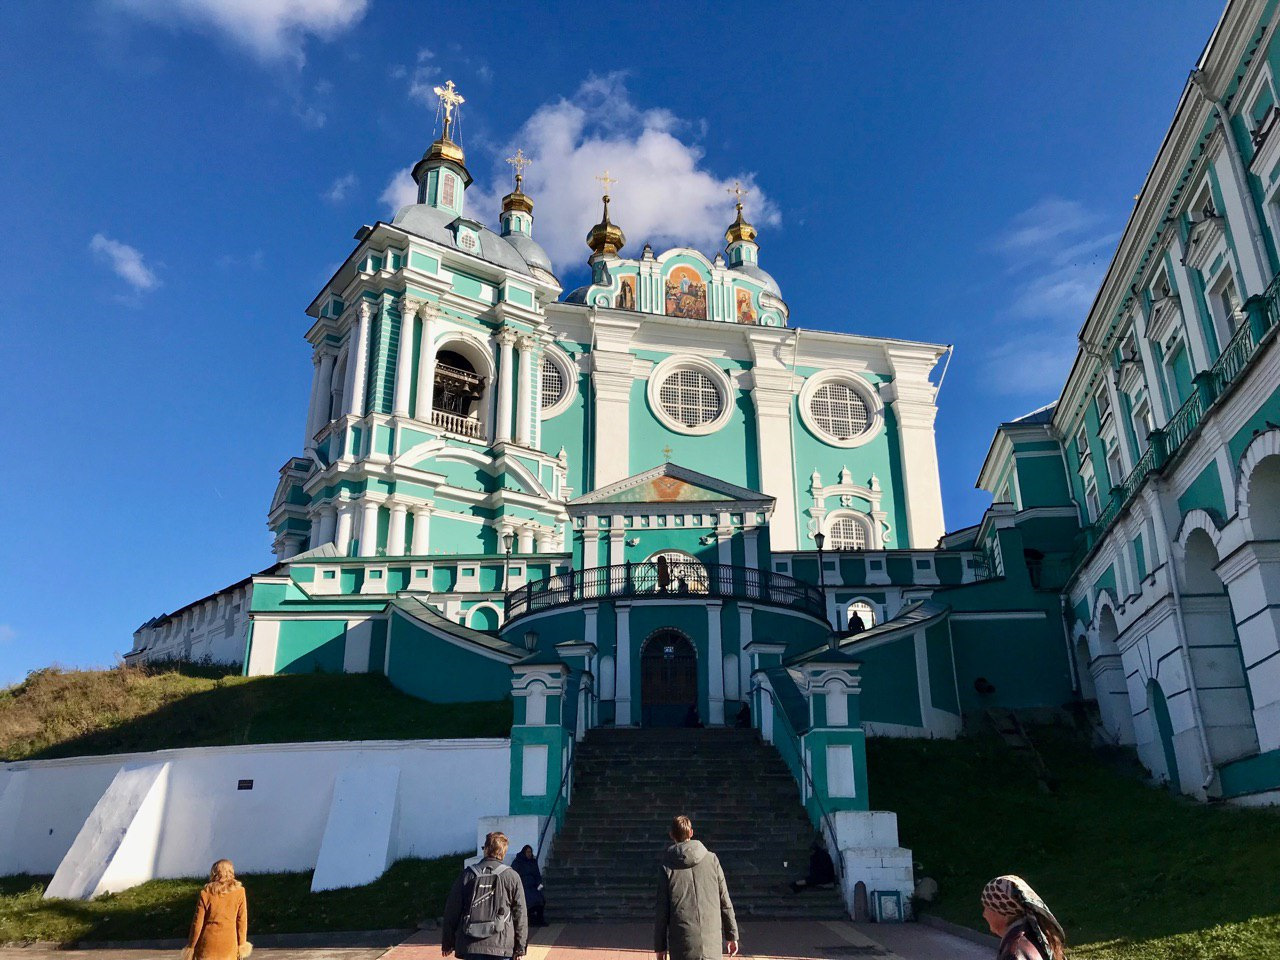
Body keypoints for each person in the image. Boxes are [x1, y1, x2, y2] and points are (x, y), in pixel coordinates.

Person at [655, 815, 738, 960]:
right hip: (711, 942)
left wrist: (660, 947)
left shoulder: (667, 867)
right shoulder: (712, 860)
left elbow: (662, 912)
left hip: (683, 943)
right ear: (691, 833)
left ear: (671, 835)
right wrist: (732, 935)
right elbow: (725, 900)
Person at [443, 832, 528, 960]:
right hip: (501, 945)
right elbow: (520, 913)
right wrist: (520, 947)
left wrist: (448, 942)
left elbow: (452, 909)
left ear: (486, 849)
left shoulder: (468, 875)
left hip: (470, 945)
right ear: (503, 851)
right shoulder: (511, 876)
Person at [980, 875, 1067, 960]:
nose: (984, 914)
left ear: (1003, 911)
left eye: (987, 907)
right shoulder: (1035, 934)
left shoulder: (1014, 953)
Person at [183, 859, 249, 960]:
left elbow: (197, 923)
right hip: (229, 944)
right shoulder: (239, 892)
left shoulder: (206, 893)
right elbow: (242, 921)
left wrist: (191, 946)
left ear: (214, 872)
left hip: (207, 943)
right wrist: (242, 944)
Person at [512, 845, 545, 926]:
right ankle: (530, 919)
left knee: (541, 899)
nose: (529, 854)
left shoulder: (533, 862)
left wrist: (539, 883)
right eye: (528, 852)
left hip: (533, 886)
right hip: (524, 886)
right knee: (529, 900)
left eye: (530, 852)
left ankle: (540, 919)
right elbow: (515, 874)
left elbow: (537, 874)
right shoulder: (518, 862)